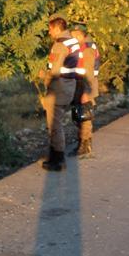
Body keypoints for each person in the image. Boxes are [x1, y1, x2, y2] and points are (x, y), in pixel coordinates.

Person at [38, 14, 78, 171]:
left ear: (56, 28)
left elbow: (54, 71)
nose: (49, 33)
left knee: (54, 125)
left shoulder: (59, 45)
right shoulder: (72, 41)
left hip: (59, 88)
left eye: (50, 29)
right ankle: (55, 156)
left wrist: (43, 76)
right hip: (69, 85)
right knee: (57, 123)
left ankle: (58, 160)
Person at [68, 23, 99, 158]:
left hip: (85, 86)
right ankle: (81, 144)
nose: (73, 37)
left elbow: (89, 73)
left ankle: (85, 146)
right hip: (79, 85)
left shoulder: (87, 49)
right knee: (79, 116)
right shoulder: (80, 47)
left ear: (82, 35)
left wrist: (86, 92)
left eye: (76, 35)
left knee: (85, 117)